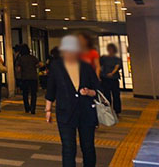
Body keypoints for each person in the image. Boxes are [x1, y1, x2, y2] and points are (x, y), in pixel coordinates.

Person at [45, 35, 100, 167]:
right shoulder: (56, 66)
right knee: (68, 148)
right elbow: (51, 89)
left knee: (88, 147)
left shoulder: (86, 66)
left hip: (86, 112)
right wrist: (48, 110)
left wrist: (89, 92)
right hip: (65, 113)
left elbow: (98, 89)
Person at [99, 43, 122, 115]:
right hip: (105, 78)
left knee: (116, 95)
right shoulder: (103, 58)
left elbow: (117, 66)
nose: (110, 50)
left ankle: (117, 110)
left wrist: (112, 73)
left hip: (114, 78)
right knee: (106, 95)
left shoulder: (117, 59)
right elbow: (99, 66)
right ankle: (108, 110)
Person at [17, 45, 40, 114]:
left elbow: (18, 69)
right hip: (33, 77)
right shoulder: (33, 57)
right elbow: (39, 64)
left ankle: (27, 108)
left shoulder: (21, 59)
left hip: (25, 78)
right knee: (33, 94)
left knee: (25, 93)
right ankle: (33, 109)